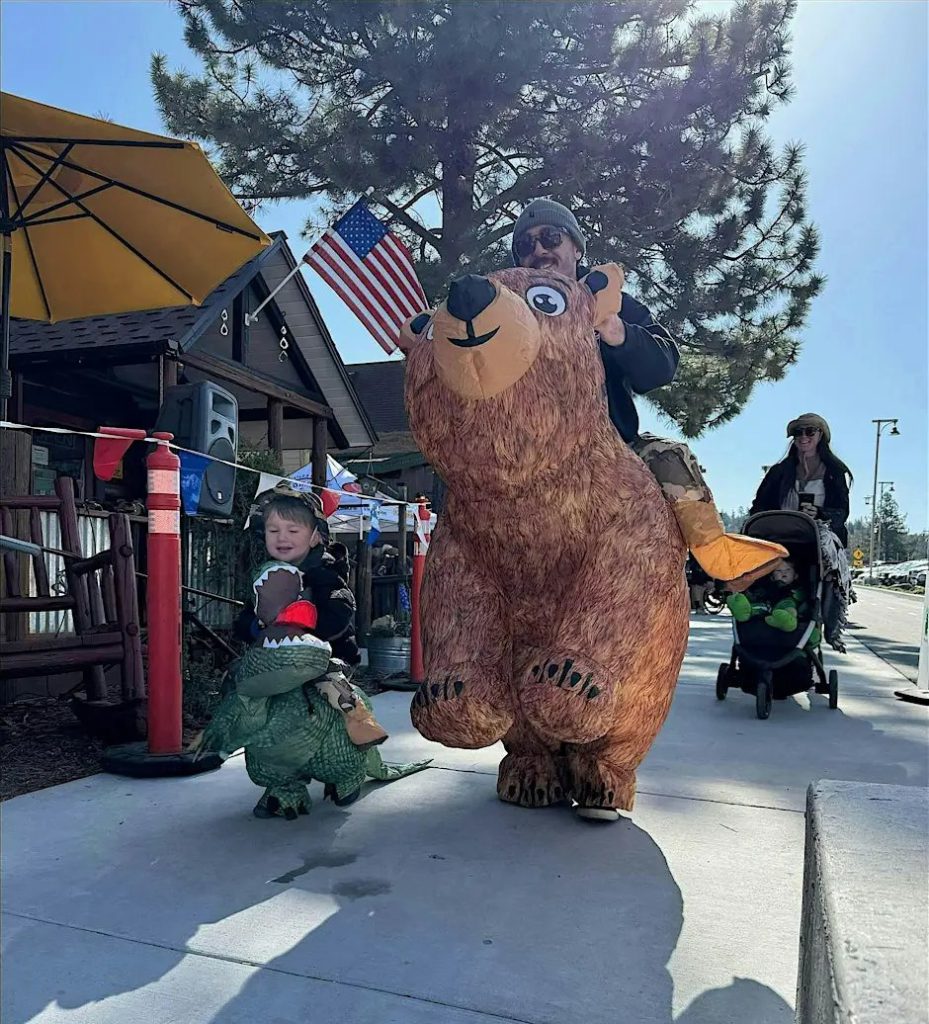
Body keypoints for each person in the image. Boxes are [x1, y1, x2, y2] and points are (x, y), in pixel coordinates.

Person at [510, 198, 786, 590]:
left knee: (671, 458)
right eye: (526, 245)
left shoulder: (608, 298)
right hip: (529, 456)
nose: (539, 251)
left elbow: (663, 365)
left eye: (550, 238)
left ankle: (715, 553)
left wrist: (614, 328)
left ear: (575, 247)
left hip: (611, 448)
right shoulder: (507, 307)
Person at [234, 482, 387, 748]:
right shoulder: (269, 578)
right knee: (239, 677)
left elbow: (339, 615)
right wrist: (255, 628)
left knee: (328, 679)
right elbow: (246, 616)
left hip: (326, 654)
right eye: (274, 530)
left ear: (316, 536)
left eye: (293, 530)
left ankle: (360, 721)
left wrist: (304, 636)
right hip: (278, 656)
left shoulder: (326, 575)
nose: (282, 537)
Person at [750, 413, 852, 547]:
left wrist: (819, 513)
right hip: (780, 538)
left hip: (821, 541)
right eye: (798, 432)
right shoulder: (778, 472)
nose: (804, 436)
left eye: (810, 431)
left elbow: (842, 512)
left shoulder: (834, 472)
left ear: (821, 435)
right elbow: (759, 507)